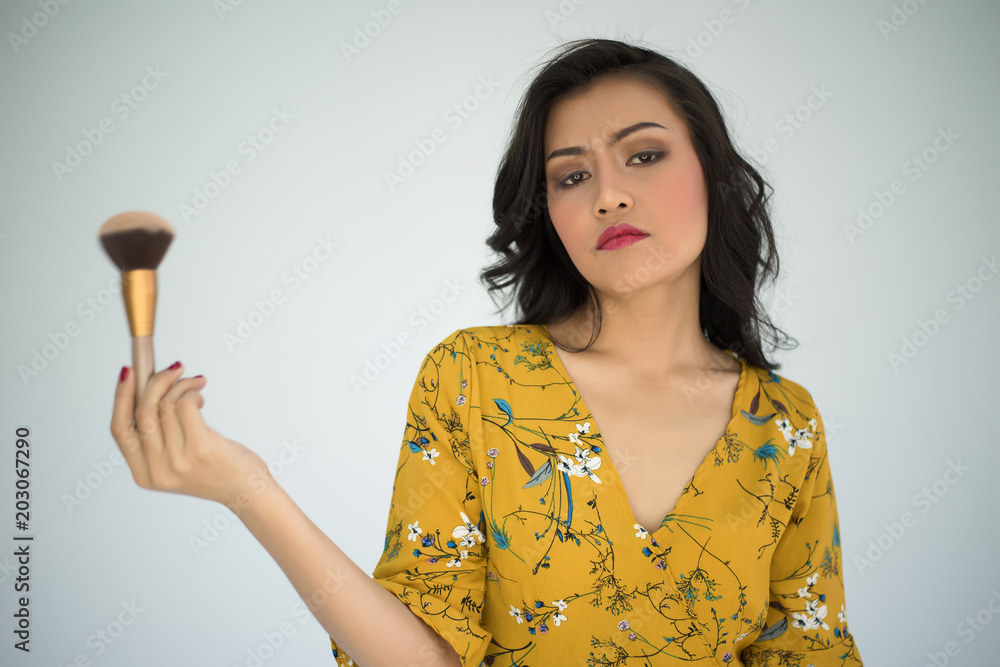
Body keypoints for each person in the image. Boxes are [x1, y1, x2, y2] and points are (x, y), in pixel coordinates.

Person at [110, 38, 863, 666]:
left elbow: (811, 650)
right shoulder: (476, 380)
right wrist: (249, 490)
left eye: (643, 156)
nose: (608, 194)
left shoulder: (786, 425)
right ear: (552, 215)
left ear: (713, 173)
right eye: (572, 175)